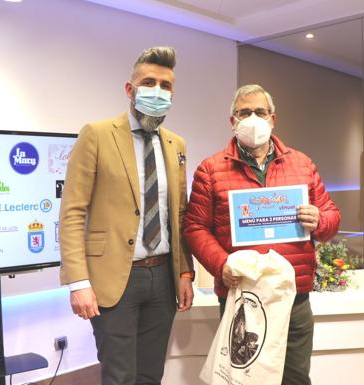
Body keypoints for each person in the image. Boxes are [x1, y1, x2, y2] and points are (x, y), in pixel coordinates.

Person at [183, 84, 340, 385]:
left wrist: (319, 220)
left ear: (272, 119)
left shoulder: (302, 164)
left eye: (260, 112)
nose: (252, 118)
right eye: (244, 112)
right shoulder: (210, 169)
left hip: (293, 297)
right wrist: (222, 265)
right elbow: (195, 227)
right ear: (233, 120)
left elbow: (332, 217)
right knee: (242, 378)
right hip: (241, 296)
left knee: (294, 378)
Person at [59, 46, 195, 385]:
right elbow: (72, 212)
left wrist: (184, 271)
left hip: (162, 278)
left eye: (166, 86)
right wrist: (78, 283)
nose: (158, 91)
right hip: (114, 278)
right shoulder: (97, 134)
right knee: (119, 375)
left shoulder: (176, 144)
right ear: (129, 89)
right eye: (149, 82)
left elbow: (179, 214)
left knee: (151, 374)